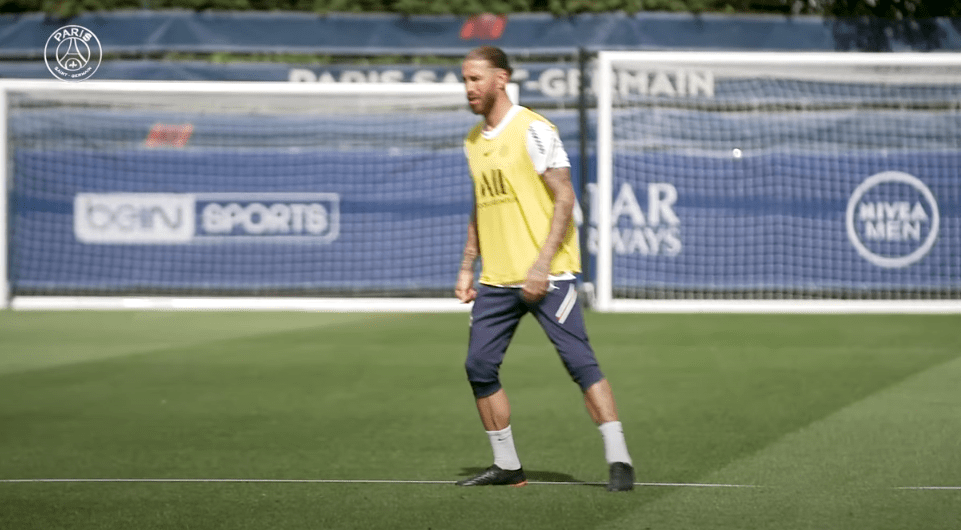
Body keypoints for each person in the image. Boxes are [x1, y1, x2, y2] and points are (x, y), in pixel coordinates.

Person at [454, 46, 635, 492]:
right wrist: (466, 266)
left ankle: (619, 459)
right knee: (478, 366)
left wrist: (541, 265)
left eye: (476, 78)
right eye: (464, 80)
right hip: (497, 279)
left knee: (580, 363)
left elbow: (565, 198)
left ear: (502, 79)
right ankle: (507, 465)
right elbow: (481, 205)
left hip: (549, 276)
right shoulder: (474, 141)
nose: (469, 88)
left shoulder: (534, 129)